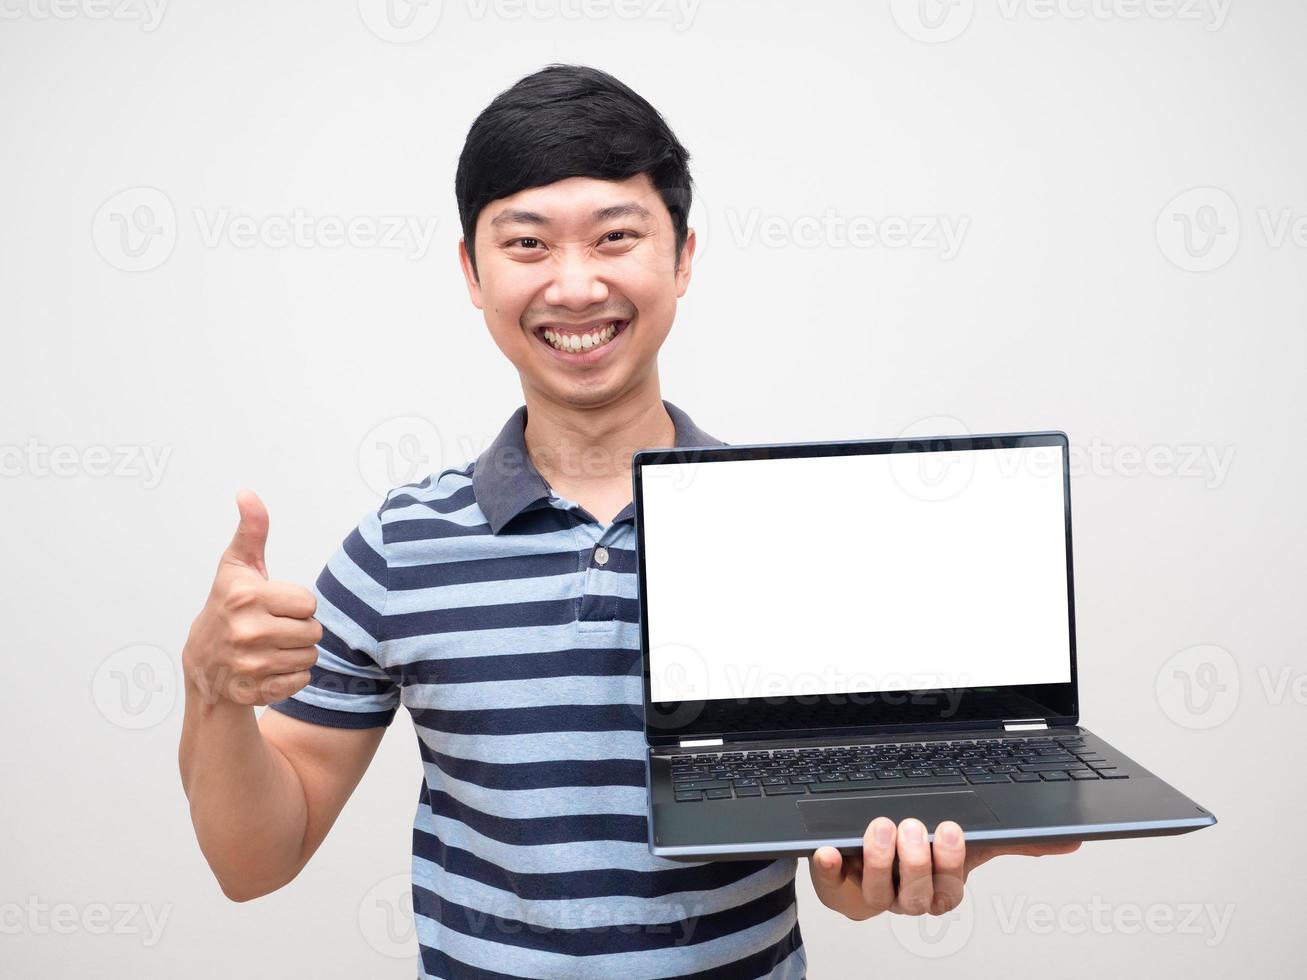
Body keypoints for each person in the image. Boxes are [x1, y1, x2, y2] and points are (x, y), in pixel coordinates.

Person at [178, 63, 1078, 979]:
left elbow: (839, 873)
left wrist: (887, 865)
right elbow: (254, 862)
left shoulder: (791, 537)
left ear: (683, 258)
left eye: (616, 237)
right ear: (472, 273)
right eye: (526, 244)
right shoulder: (398, 549)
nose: (574, 287)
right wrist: (210, 693)